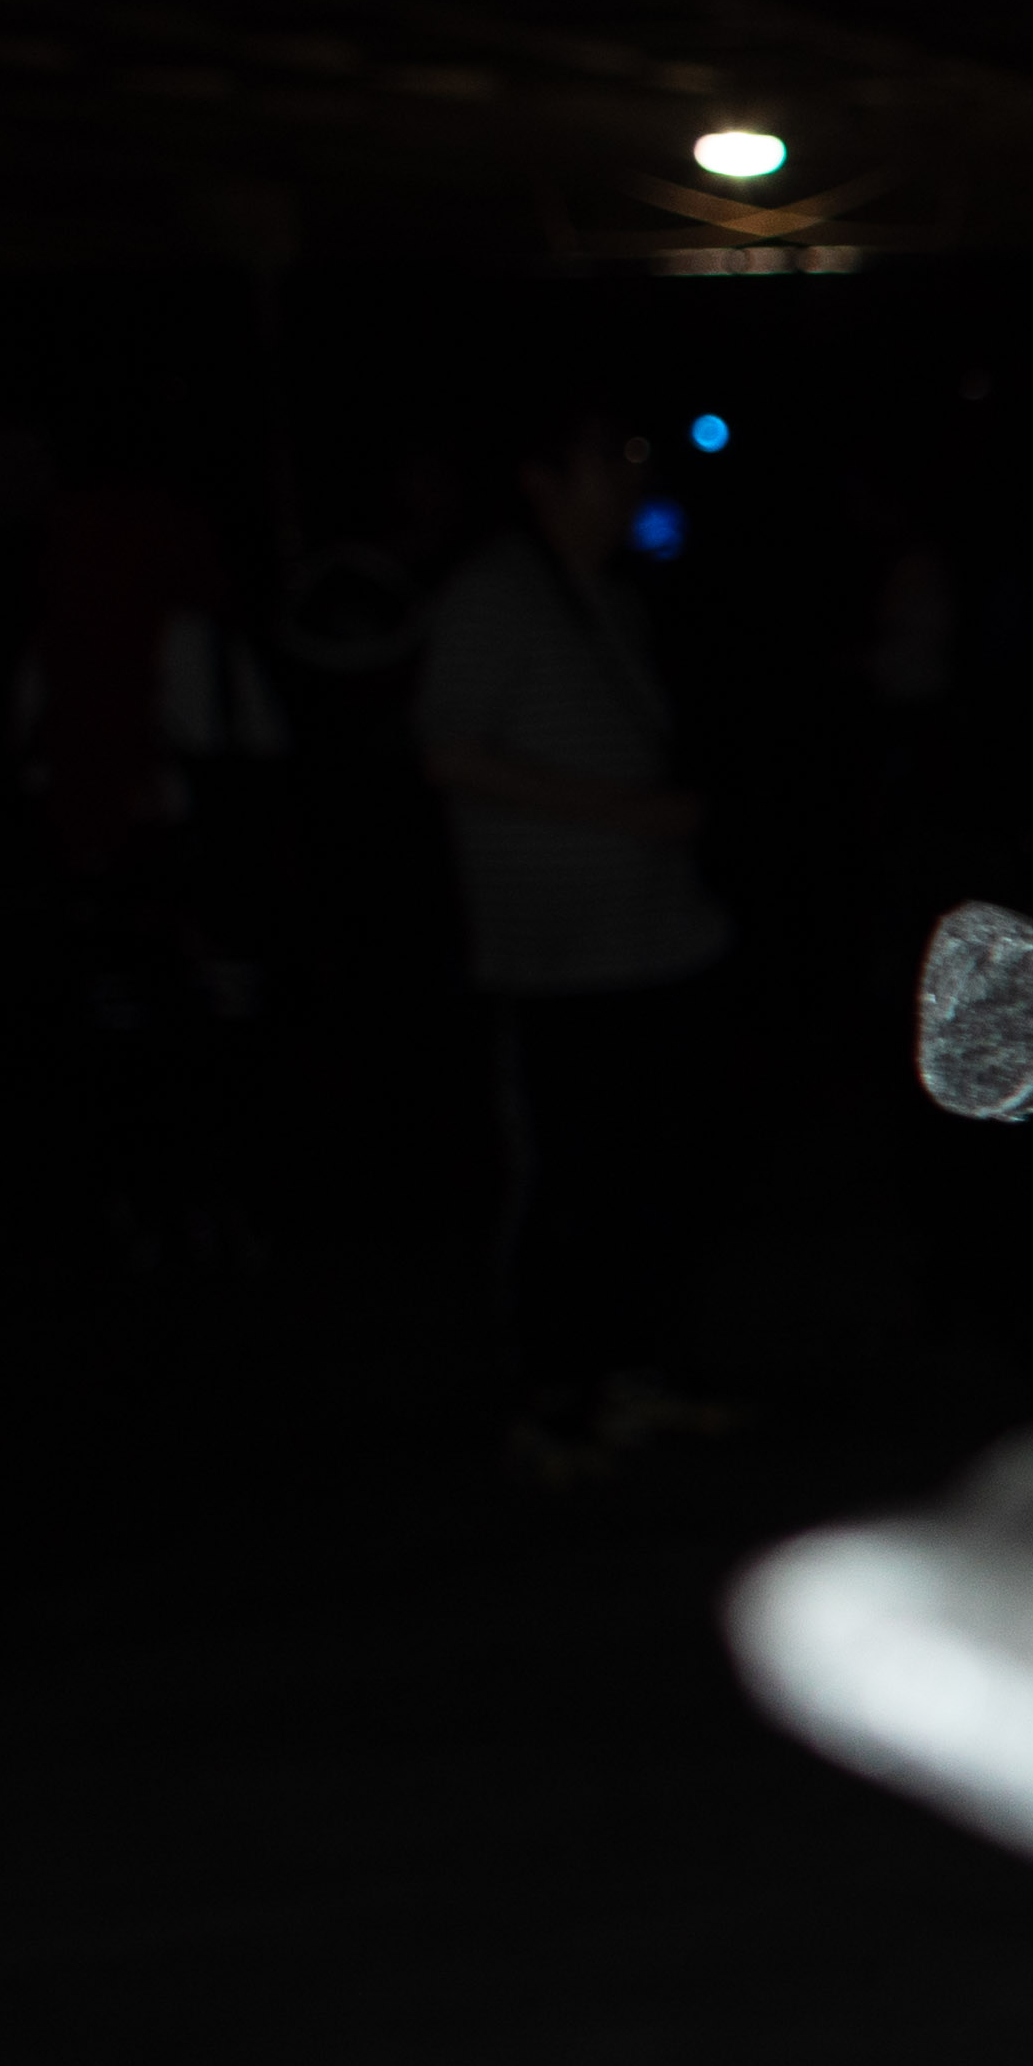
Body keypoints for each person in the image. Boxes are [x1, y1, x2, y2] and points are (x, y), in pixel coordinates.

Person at [413, 401, 735, 1470]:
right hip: (557, 955)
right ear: (543, 477)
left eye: (634, 455)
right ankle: (552, 1397)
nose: (631, 475)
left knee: (651, 1173)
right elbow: (450, 751)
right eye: (609, 456)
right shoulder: (495, 594)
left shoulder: (605, 592)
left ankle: (629, 1374)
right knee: (568, 1180)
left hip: (652, 937)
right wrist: (630, 812)